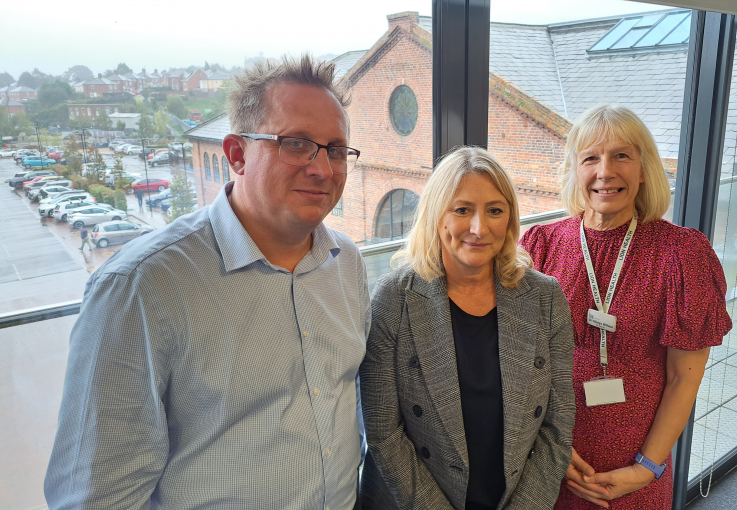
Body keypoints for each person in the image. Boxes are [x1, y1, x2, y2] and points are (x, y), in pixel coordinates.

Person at [44, 54, 370, 509]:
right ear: (236, 154)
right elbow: (98, 497)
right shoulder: (142, 287)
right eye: (296, 144)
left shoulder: (347, 263)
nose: (323, 168)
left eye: (336, 149)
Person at [520, 104, 732, 509]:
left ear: (643, 167)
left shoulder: (682, 255)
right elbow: (521, 364)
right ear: (574, 169)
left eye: (621, 155)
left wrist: (645, 468)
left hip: (637, 466)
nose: (605, 171)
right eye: (590, 158)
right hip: (549, 455)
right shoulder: (541, 246)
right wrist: (550, 446)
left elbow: (682, 379)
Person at [360, 147, 575, 510]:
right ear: (436, 216)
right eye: (462, 210)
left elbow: (558, 424)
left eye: (494, 210)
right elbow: (384, 433)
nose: (479, 227)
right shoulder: (394, 299)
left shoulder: (545, 297)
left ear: (509, 218)